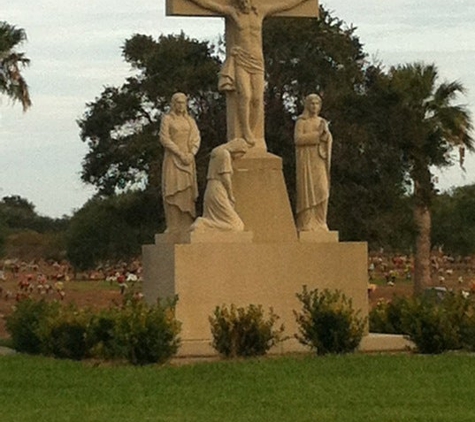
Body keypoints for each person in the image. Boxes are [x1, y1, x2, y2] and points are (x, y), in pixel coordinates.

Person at [187, 0, 312, 147]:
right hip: (241, 60)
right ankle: (245, 130)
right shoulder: (233, 13)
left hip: (257, 62)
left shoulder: (261, 12)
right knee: (245, 95)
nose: (245, 3)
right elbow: (210, 5)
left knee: (258, 98)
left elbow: (285, 5)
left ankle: (253, 133)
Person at [159, 92, 201, 233]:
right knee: (172, 189)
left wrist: (191, 153)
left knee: (187, 192)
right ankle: (173, 224)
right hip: (173, 159)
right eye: (178, 102)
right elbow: (164, 138)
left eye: (183, 102)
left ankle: (186, 223)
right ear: (173, 103)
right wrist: (179, 153)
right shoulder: (167, 119)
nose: (181, 105)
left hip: (188, 161)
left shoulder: (190, 121)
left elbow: (196, 138)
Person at [191, 138, 249, 232]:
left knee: (221, 220)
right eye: (241, 154)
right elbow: (225, 178)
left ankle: (205, 224)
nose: (239, 157)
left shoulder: (218, 152)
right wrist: (231, 195)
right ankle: (204, 223)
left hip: (212, 189)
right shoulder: (225, 154)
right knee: (237, 226)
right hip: (218, 190)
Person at [294, 93, 333, 231]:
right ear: (307, 105)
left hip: (319, 159)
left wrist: (326, 136)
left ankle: (321, 221)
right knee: (307, 192)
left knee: (322, 189)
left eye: (317, 104)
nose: (314, 106)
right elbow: (298, 139)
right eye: (312, 103)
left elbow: (327, 139)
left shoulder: (322, 122)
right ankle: (307, 223)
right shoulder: (301, 121)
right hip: (306, 161)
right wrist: (317, 135)